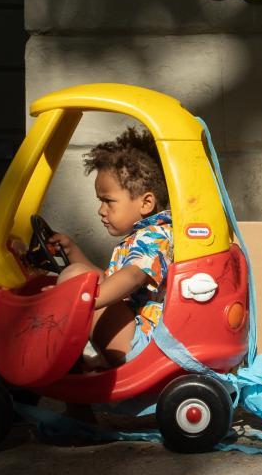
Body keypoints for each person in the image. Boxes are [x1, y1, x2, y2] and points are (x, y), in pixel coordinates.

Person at [47, 126, 173, 367]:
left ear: (146, 202)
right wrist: (73, 250)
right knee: (81, 281)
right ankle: (77, 398)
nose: (101, 210)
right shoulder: (141, 236)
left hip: (141, 340)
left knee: (77, 283)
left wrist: (80, 302)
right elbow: (107, 279)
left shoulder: (155, 236)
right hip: (130, 330)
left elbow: (133, 276)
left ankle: (77, 358)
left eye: (108, 201)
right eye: (100, 201)